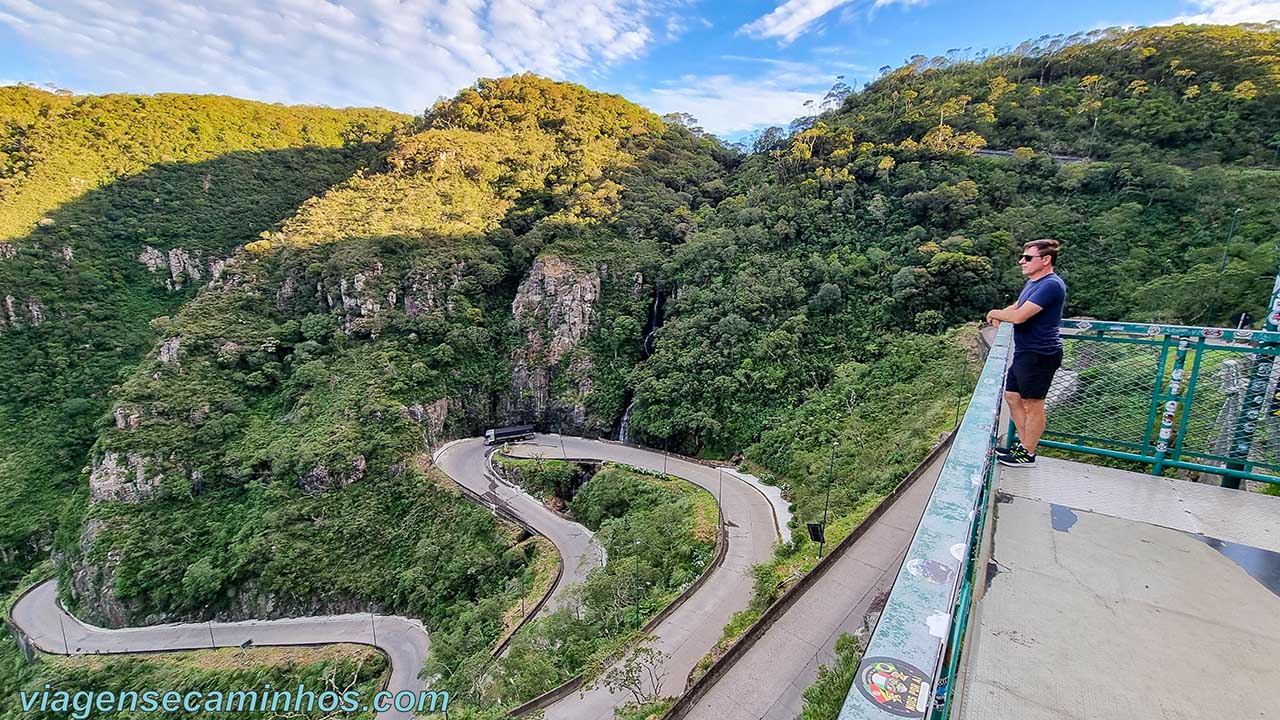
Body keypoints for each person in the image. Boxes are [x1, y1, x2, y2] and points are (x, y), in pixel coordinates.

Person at [985, 239, 1067, 467]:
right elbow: (1019, 305)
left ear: (1045, 260)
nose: (1022, 261)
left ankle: (1027, 454)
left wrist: (995, 312)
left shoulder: (1051, 284)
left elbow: (1020, 316)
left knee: (1033, 404)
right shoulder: (1035, 282)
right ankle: (1024, 446)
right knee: (1012, 397)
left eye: (1028, 257)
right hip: (1025, 352)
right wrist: (1002, 313)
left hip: (1040, 353)